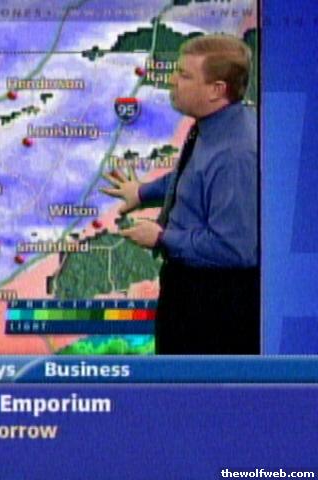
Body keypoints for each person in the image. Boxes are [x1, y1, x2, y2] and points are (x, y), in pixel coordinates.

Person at [102, 34, 259, 354]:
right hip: (191, 293)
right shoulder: (217, 126)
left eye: (184, 75)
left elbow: (234, 249)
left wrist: (161, 238)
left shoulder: (236, 154)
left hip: (213, 309)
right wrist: (143, 192)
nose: (172, 80)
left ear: (216, 90)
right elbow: (195, 175)